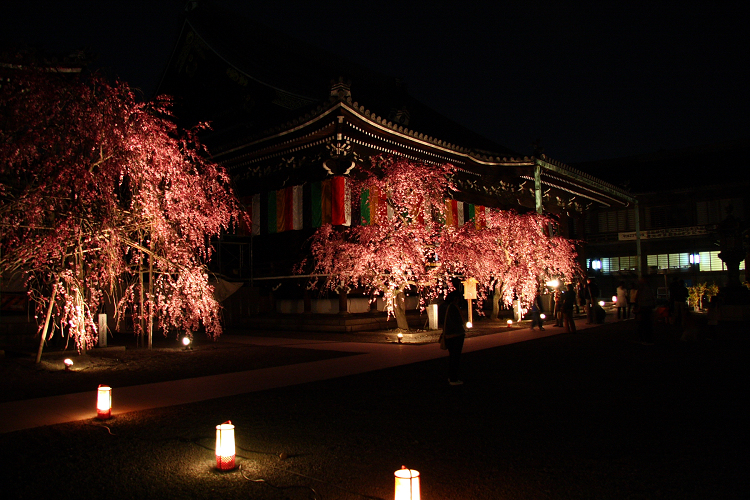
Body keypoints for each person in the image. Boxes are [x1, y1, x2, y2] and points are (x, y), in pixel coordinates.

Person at [442, 291, 466, 385]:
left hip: (448, 334)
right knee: (455, 357)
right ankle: (453, 379)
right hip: (456, 334)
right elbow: (459, 321)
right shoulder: (453, 307)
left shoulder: (443, 307)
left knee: (452, 357)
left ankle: (451, 377)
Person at [634, 277, 656, 345]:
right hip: (647, 307)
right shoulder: (649, 289)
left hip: (643, 308)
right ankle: (648, 338)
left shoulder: (641, 290)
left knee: (642, 324)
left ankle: (643, 338)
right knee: (648, 324)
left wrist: (637, 306)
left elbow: (637, 299)